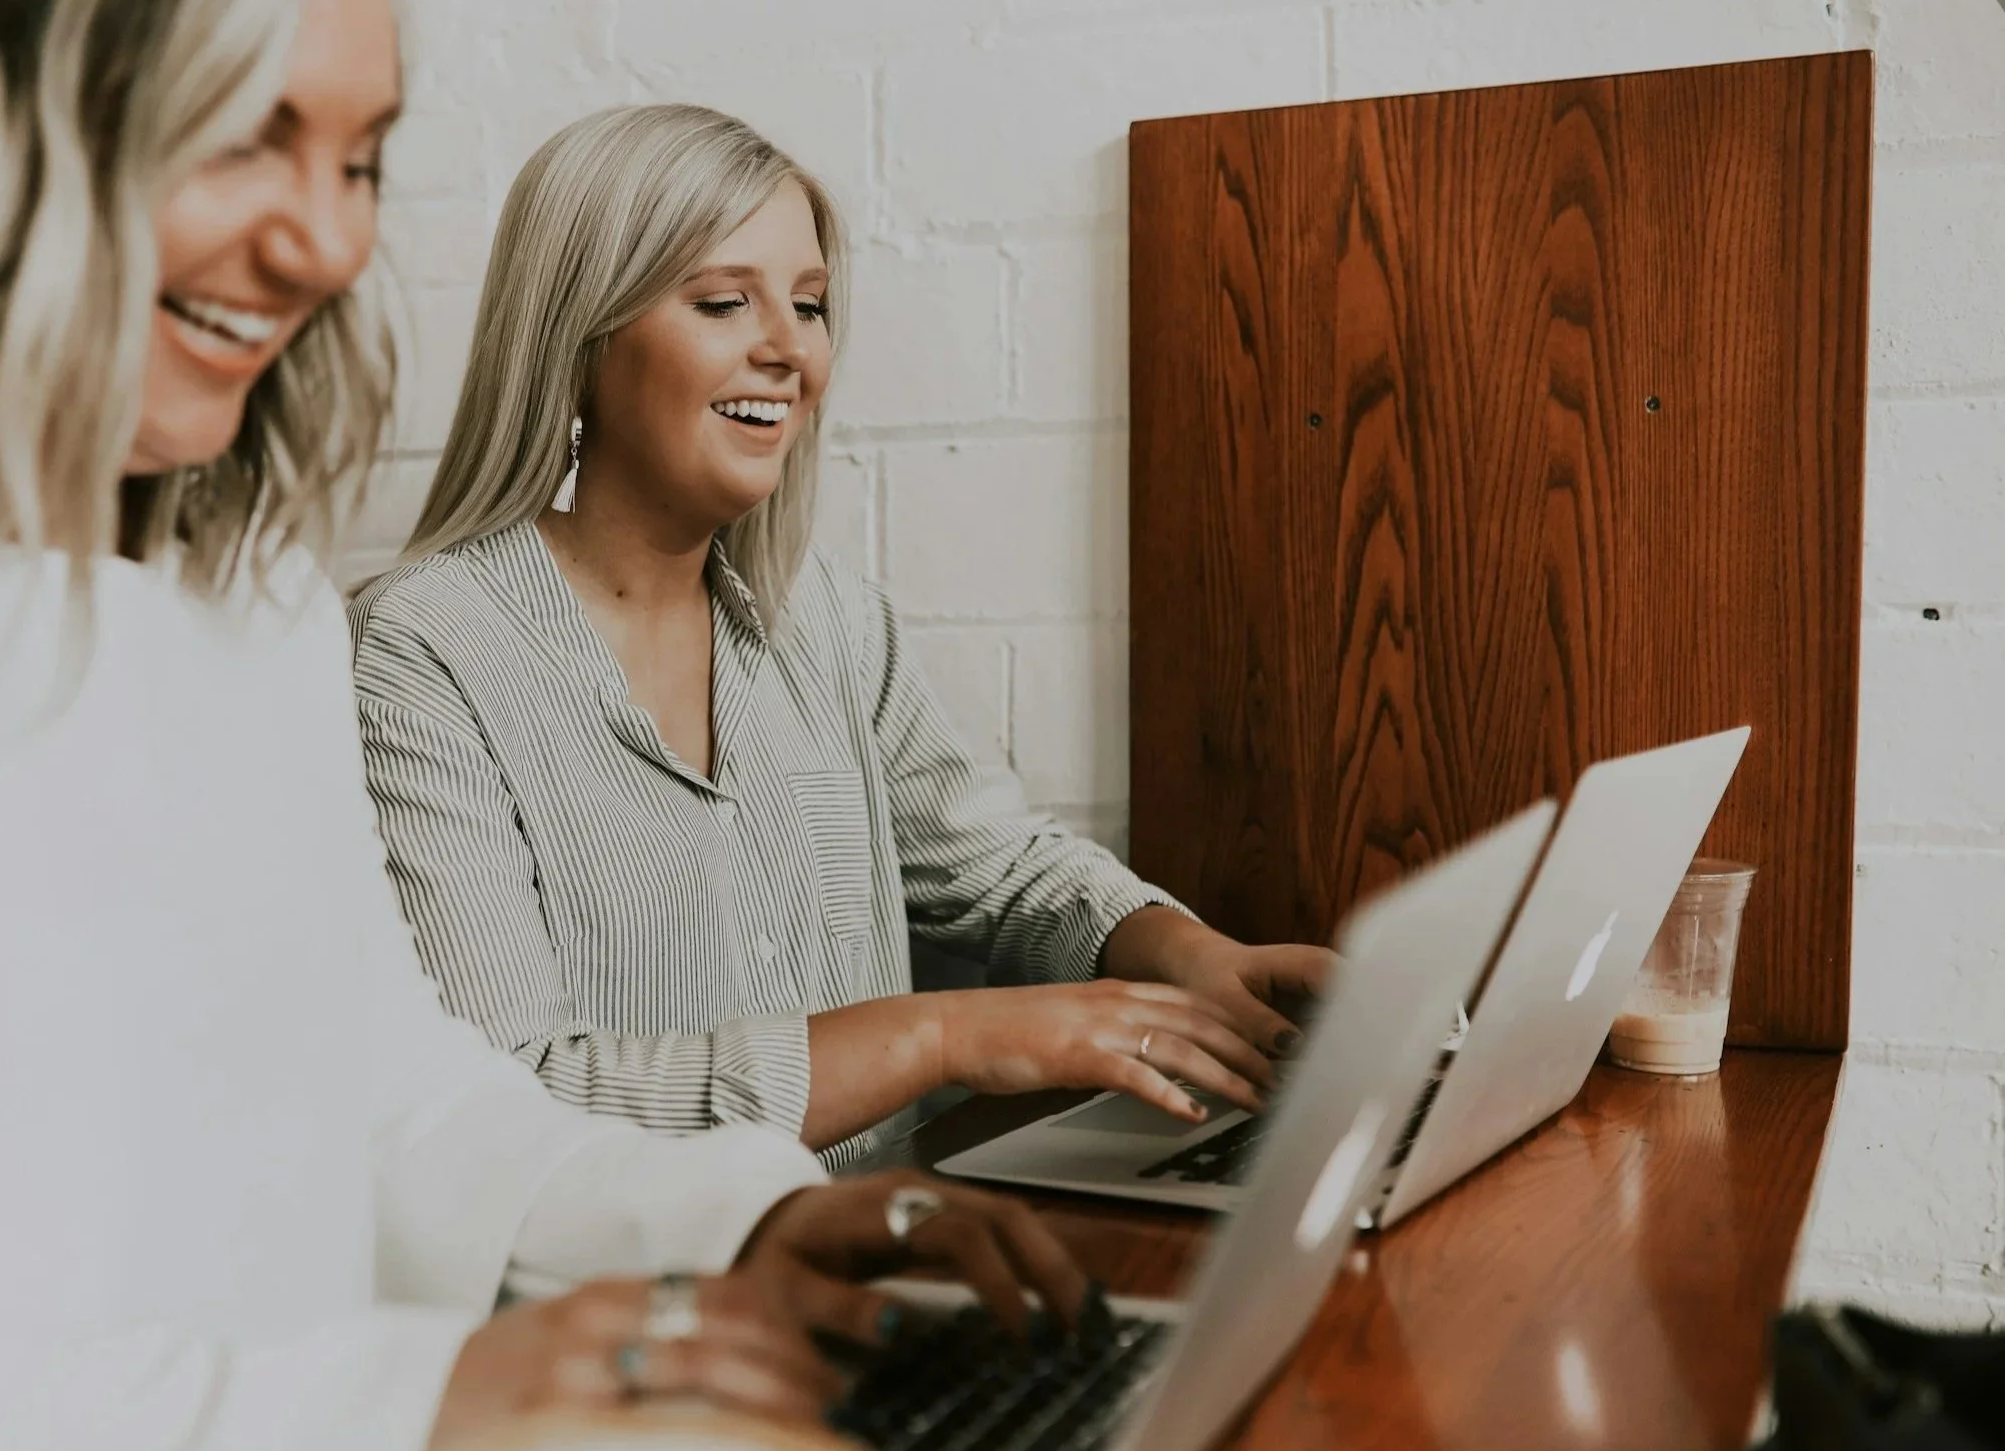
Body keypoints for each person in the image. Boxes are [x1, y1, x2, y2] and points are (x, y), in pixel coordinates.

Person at [0, 5, 1087, 1451]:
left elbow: (394, 1098)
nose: (325, 238)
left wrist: (730, 1221)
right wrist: (398, 1406)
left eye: (360, 157)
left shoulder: (245, 601)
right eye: (243, 135)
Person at [351, 105, 1335, 1168]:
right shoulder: (421, 651)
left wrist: (1191, 957)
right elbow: (517, 1096)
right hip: (646, 1307)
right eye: (725, 301)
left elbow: (997, 870)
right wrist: (944, 1036)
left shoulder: (823, 620)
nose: (788, 349)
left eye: (810, 306)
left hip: (892, 1254)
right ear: (580, 338)